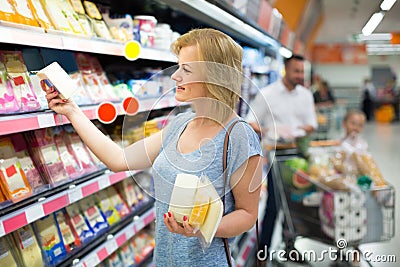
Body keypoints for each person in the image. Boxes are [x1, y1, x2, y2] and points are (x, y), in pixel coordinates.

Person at [43, 28, 263, 266]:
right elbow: (119, 159)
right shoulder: (180, 124)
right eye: (178, 67)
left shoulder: (239, 136)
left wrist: (203, 228)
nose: (175, 76)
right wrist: (72, 111)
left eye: (186, 69)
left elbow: (247, 215)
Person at [245, 54, 317, 264]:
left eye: (302, 72)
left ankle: (290, 247)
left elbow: (312, 124)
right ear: (286, 70)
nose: (300, 76)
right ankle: (263, 254)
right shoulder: (267, 94)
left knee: (295, 205)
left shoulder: (305, 95)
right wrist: (271, 129)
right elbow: (251, 121)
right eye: (296, 71)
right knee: (274, 207)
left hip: (298, 156)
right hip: (276, 156)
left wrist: (297, 129)